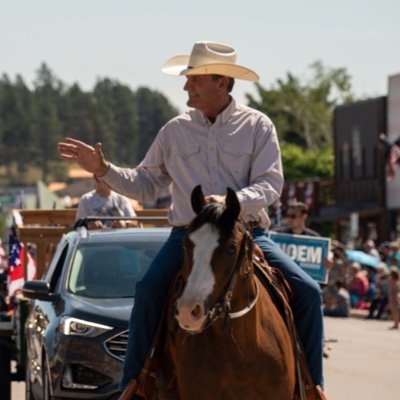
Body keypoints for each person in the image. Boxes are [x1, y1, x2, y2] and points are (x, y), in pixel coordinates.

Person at [57, 41, 324, 394]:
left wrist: (232, 203)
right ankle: (136, 383)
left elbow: (270, 184)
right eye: (187, 79)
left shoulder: (258, 125)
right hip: (188, 237)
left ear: (222, 82)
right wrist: (104, 169)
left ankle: (311, 384)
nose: (186, 87)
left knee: (307, 292)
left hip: (246, 235)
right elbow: (146, 184)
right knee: (149, 289)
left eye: (195, 79)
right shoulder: (174, 131)